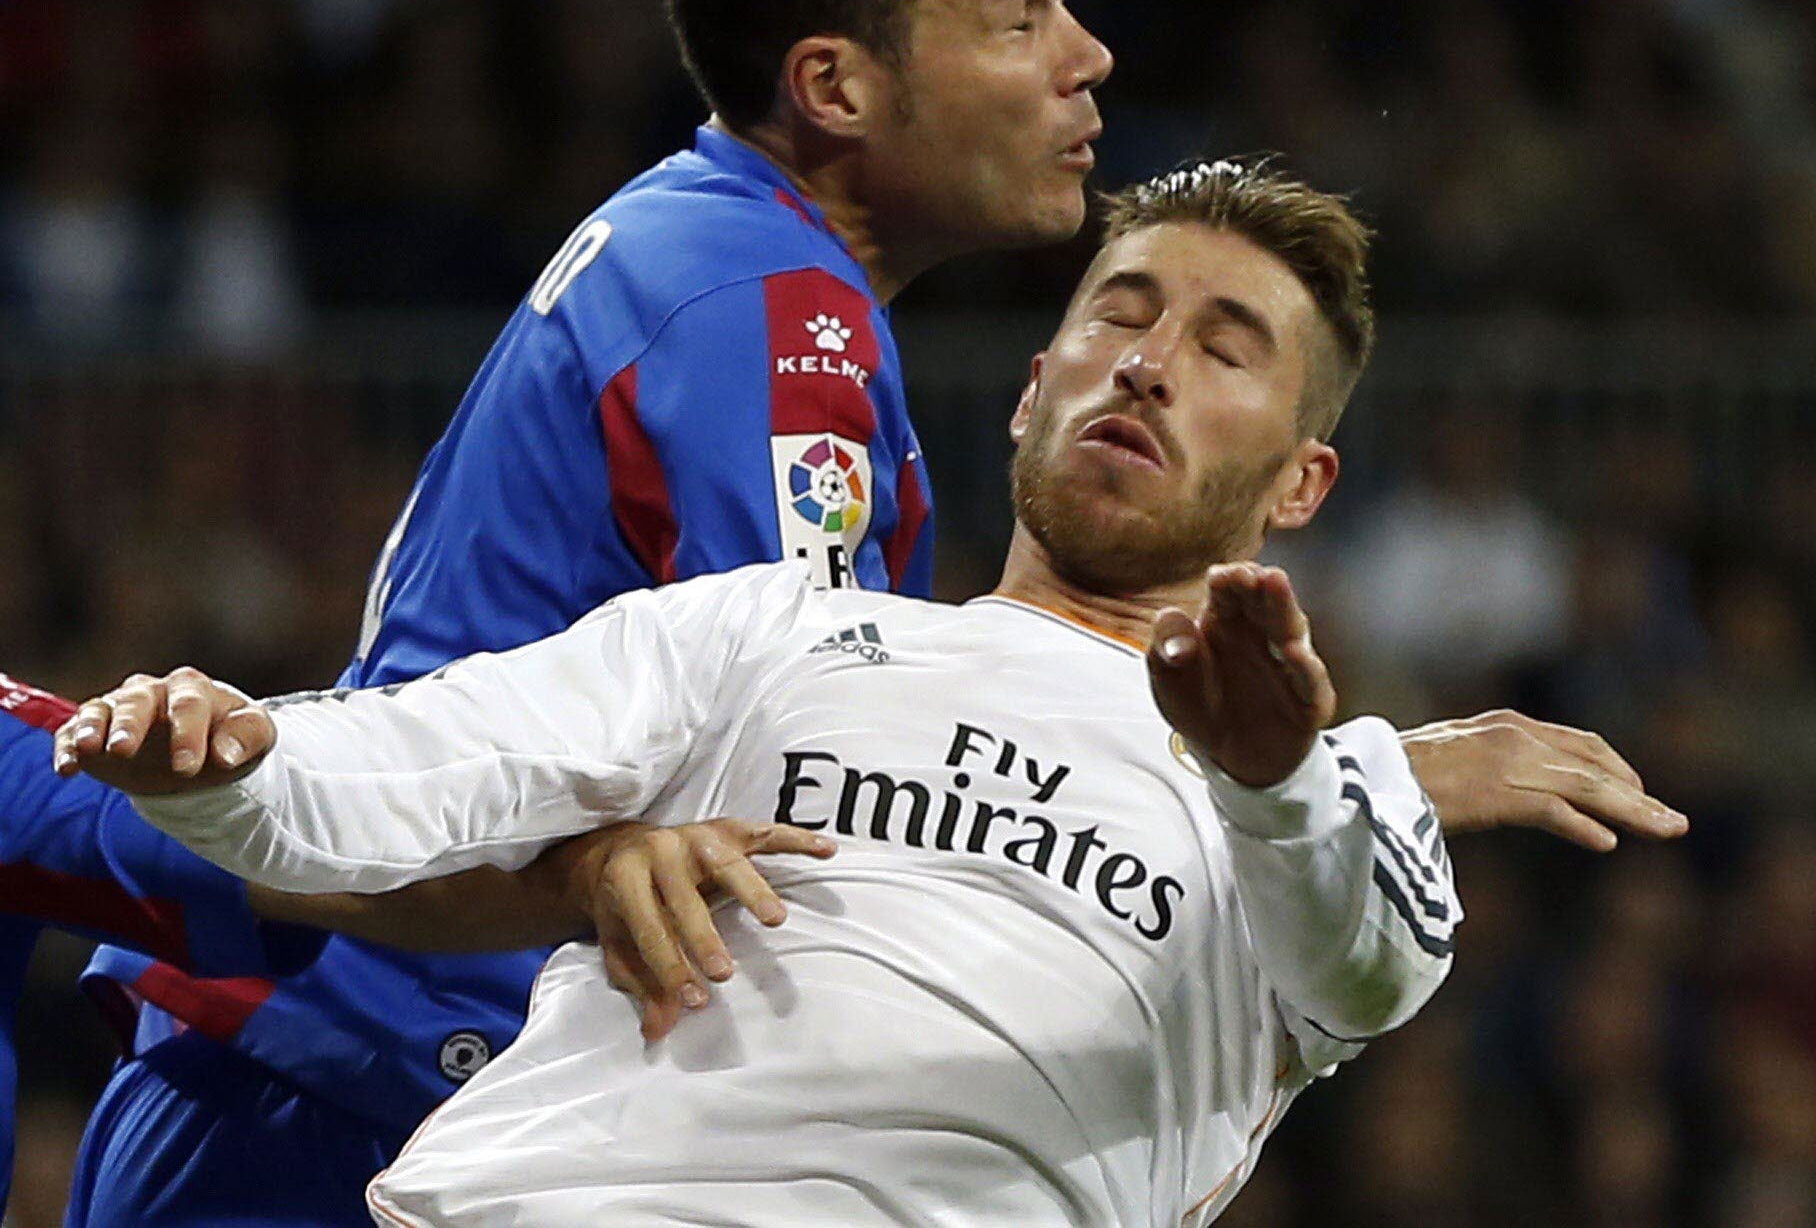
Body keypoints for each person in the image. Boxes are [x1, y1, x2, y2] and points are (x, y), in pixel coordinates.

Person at [60, 160, 1688, 1227]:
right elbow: (409, 770)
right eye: (1118, 313)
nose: (1146, 361)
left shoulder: (1301, 804)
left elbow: (1370, 966)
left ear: (1303, 481)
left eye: (1224, 346)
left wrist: (1287, 777)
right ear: (1028, 387)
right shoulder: (772, 631)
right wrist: (228, 757)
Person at [6, 0, 1114, 1221]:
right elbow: (817, 765)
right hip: (364, 1102)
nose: (1085, 56)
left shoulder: (725, 260)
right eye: (1021, 12)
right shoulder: (769, 307)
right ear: (834, 84)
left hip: (363, 1070)